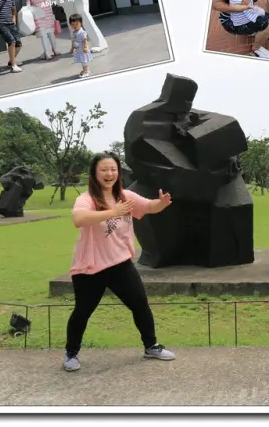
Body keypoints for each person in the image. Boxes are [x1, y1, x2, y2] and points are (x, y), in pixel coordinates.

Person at [63, 152, 175, 372]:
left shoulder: (126, 196)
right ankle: (71, 354)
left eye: (113, 169)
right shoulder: (87, 199)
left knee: (140, 304)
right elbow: (78, 219)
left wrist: (161, 203)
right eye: (104, 169)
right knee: (83, 311)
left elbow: (149, 207)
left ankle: (151, 346)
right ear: (95, 174)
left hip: (120, 264)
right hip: (91, 267)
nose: (109, 174)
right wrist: (112, 212)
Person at [69, 14, 92, 79]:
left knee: (84, 60)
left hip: (82, 49)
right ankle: (84, 69)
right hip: (78, 49)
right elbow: (73, 41)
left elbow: (85, 40)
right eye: (73, 24)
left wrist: (85, 47)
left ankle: (86, 71)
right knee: (82, 60)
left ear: (81, 23)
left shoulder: (82, 32)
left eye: (77, 24)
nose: (75, 26)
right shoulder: (74, 32)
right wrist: (72, 49)